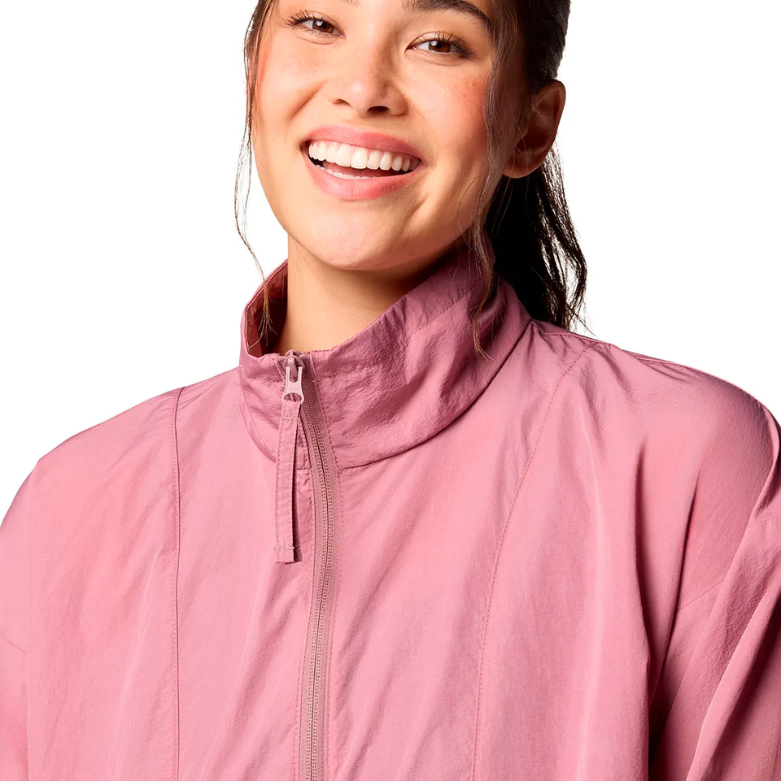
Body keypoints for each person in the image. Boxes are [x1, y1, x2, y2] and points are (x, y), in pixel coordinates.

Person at [1, 0, 780, 777]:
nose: (362, 86)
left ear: (530, 126)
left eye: (438, 42)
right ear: (252, 73)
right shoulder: (68, 511)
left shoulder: (684, 468)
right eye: (317, 24)